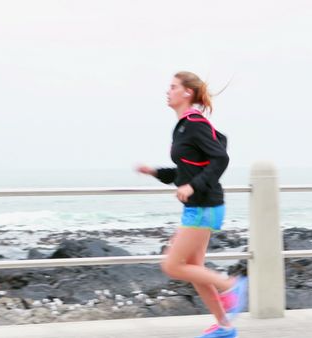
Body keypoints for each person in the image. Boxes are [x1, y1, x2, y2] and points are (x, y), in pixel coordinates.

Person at [137, 71, 247, 338]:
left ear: (187, 92)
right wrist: (154, 172)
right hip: (198, 207)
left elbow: (220, 159)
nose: (168, 91)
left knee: (172, 265)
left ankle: (231, 285)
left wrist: (192, 186)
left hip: (204, 206)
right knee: (196, 271)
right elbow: (183, 172)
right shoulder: (183, 126)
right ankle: (224, 327)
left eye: (173, 86)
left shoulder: (195, 123)